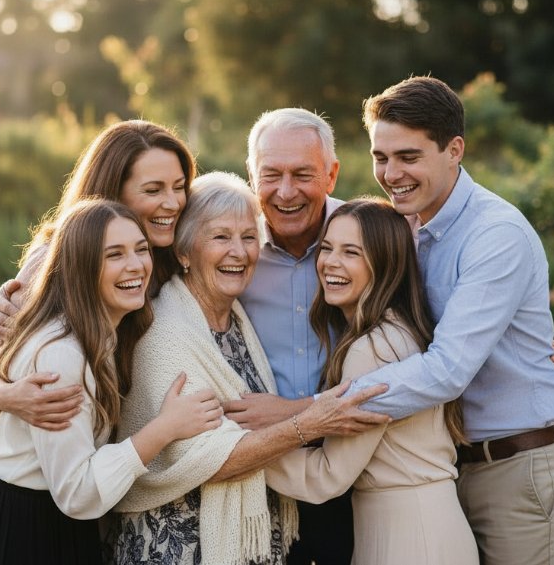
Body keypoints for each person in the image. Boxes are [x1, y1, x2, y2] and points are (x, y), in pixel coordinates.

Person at [349, 76, 554, 565]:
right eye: (380, 157)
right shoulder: (404, 224)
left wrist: (316, 410)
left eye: (408, 157)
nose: (391, 174)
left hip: (519, 467)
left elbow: (448, 370)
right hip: (452, 466)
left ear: (454, 149)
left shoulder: (494, 234)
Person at [109, 173, 388, 565]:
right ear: (185, 253)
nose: (239, 252)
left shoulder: (236, 320)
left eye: (248, 236)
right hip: (180, 549)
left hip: (248, 546)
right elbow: (213, 459)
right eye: (221, 237)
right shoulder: (166, 335)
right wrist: (310, 422)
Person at [0, 199, 223, 565]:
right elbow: (77, 492)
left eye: (141, 249)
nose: (135, 265)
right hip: (18, 527)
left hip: (46, 520)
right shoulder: (63, 356)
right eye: (114, 255)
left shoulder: (101, 334)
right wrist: (164, 428)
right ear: (81, 268)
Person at [264, 198, 478, 565]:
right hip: (413, 524)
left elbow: (327, 476)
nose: (330, 262)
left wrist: (242, 451)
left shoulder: (373, 348)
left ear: (384, 265)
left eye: (351, 252)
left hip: (410, 535)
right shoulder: (398, 330)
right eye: (327, 248)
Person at [0, 119, 197, 431]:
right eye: (153, 190)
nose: (172, 203)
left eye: (179, 187)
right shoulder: (57, 256)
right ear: (113, 194)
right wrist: (11, 397)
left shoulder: (175, 252)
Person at [228, 108, 364, 565]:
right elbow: (123, 225)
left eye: (303, 174)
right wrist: (33, 270)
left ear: (331, 174)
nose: (285, 192)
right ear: (251, 174)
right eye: (271, 175)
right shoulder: (227, 243)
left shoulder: (370, 237)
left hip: (356, 469)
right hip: (261, 471)